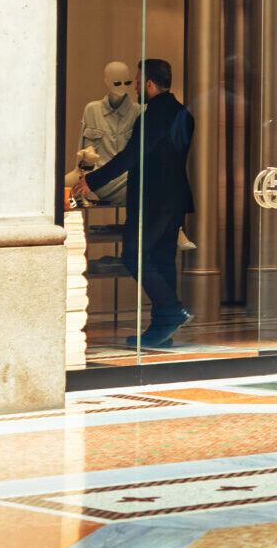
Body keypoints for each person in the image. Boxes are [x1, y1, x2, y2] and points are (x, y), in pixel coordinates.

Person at [70, 59, 195, 350]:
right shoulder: (183, 114)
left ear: (150, 84)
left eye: (138, 81)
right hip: (174, 199)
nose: (136, 86)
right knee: (163, 260)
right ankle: (162, 328)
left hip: (152, 199)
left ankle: (171, 310)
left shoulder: (151, 117)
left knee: (134, 256)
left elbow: (131, 157)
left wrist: (92, 181)